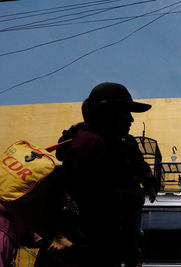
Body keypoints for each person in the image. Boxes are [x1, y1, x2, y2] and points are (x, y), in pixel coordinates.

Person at [36, 82, 159, 267]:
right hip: (79, 256)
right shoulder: (90, 146)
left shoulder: (109, 144)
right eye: (125, 112)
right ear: (105, 110)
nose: (131, 119)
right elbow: (97, 201)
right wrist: (136, 196)